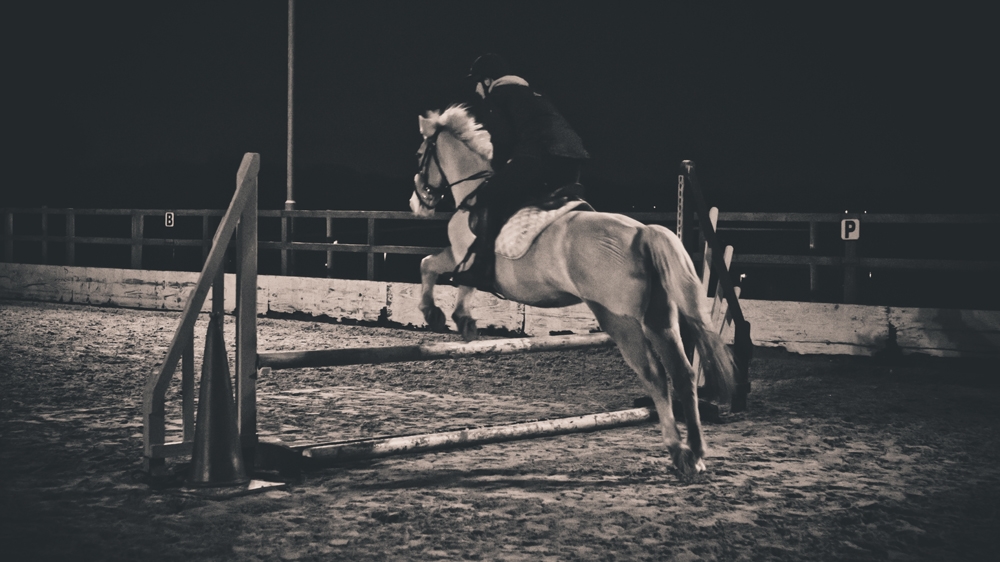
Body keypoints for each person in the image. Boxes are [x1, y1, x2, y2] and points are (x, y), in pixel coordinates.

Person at [453, 53, 590, 292]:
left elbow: (503, 140)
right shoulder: (533, 94)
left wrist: (497, 169)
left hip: (541, 157)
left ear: (487, 81)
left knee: (489, 195)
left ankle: (482, 267)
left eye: (477, 82)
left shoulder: (497, 96)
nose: (475, 89)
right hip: (573, 161)